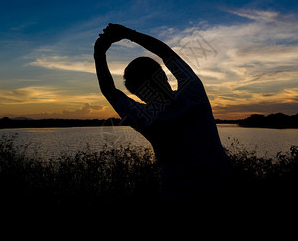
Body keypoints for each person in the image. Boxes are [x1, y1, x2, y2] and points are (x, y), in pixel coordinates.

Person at [94, 23, 233, 206]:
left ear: (137, 93)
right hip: (225, 191)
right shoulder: (193, 91)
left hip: (178, 198)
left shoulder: (145, 117)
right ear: (164, 75)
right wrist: (128, 33)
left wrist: (99, 52)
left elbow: (109, 90)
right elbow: (165, 52)